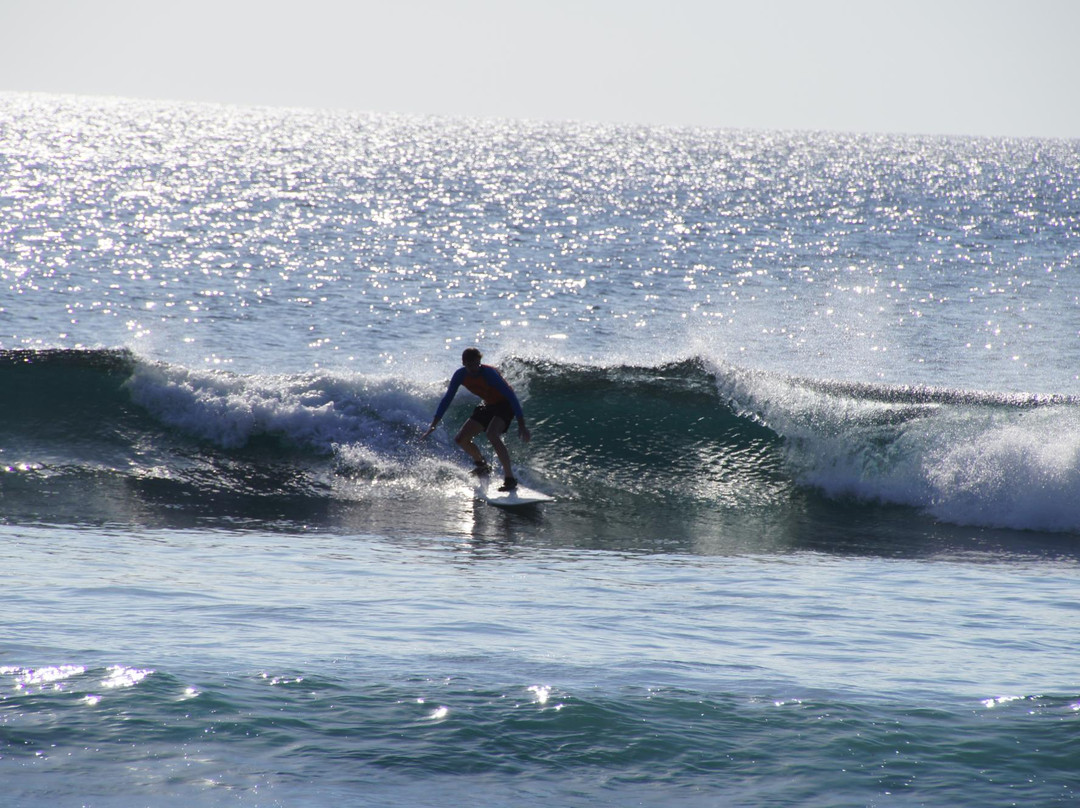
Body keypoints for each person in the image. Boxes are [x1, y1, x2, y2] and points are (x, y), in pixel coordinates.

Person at [422, 347, 531, 491]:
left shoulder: (489, 374)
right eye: (469, 365)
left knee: (492, 434)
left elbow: (511, 396)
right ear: (463, 363)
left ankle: (510, 479)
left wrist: (522, 425)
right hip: (488, 405)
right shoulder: (460, 375)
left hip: (505, 404)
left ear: (480, 361)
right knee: (461, 439)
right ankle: (482, 465)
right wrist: (434, 424)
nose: (474, 368)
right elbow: (447, 399)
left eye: (476, 364)